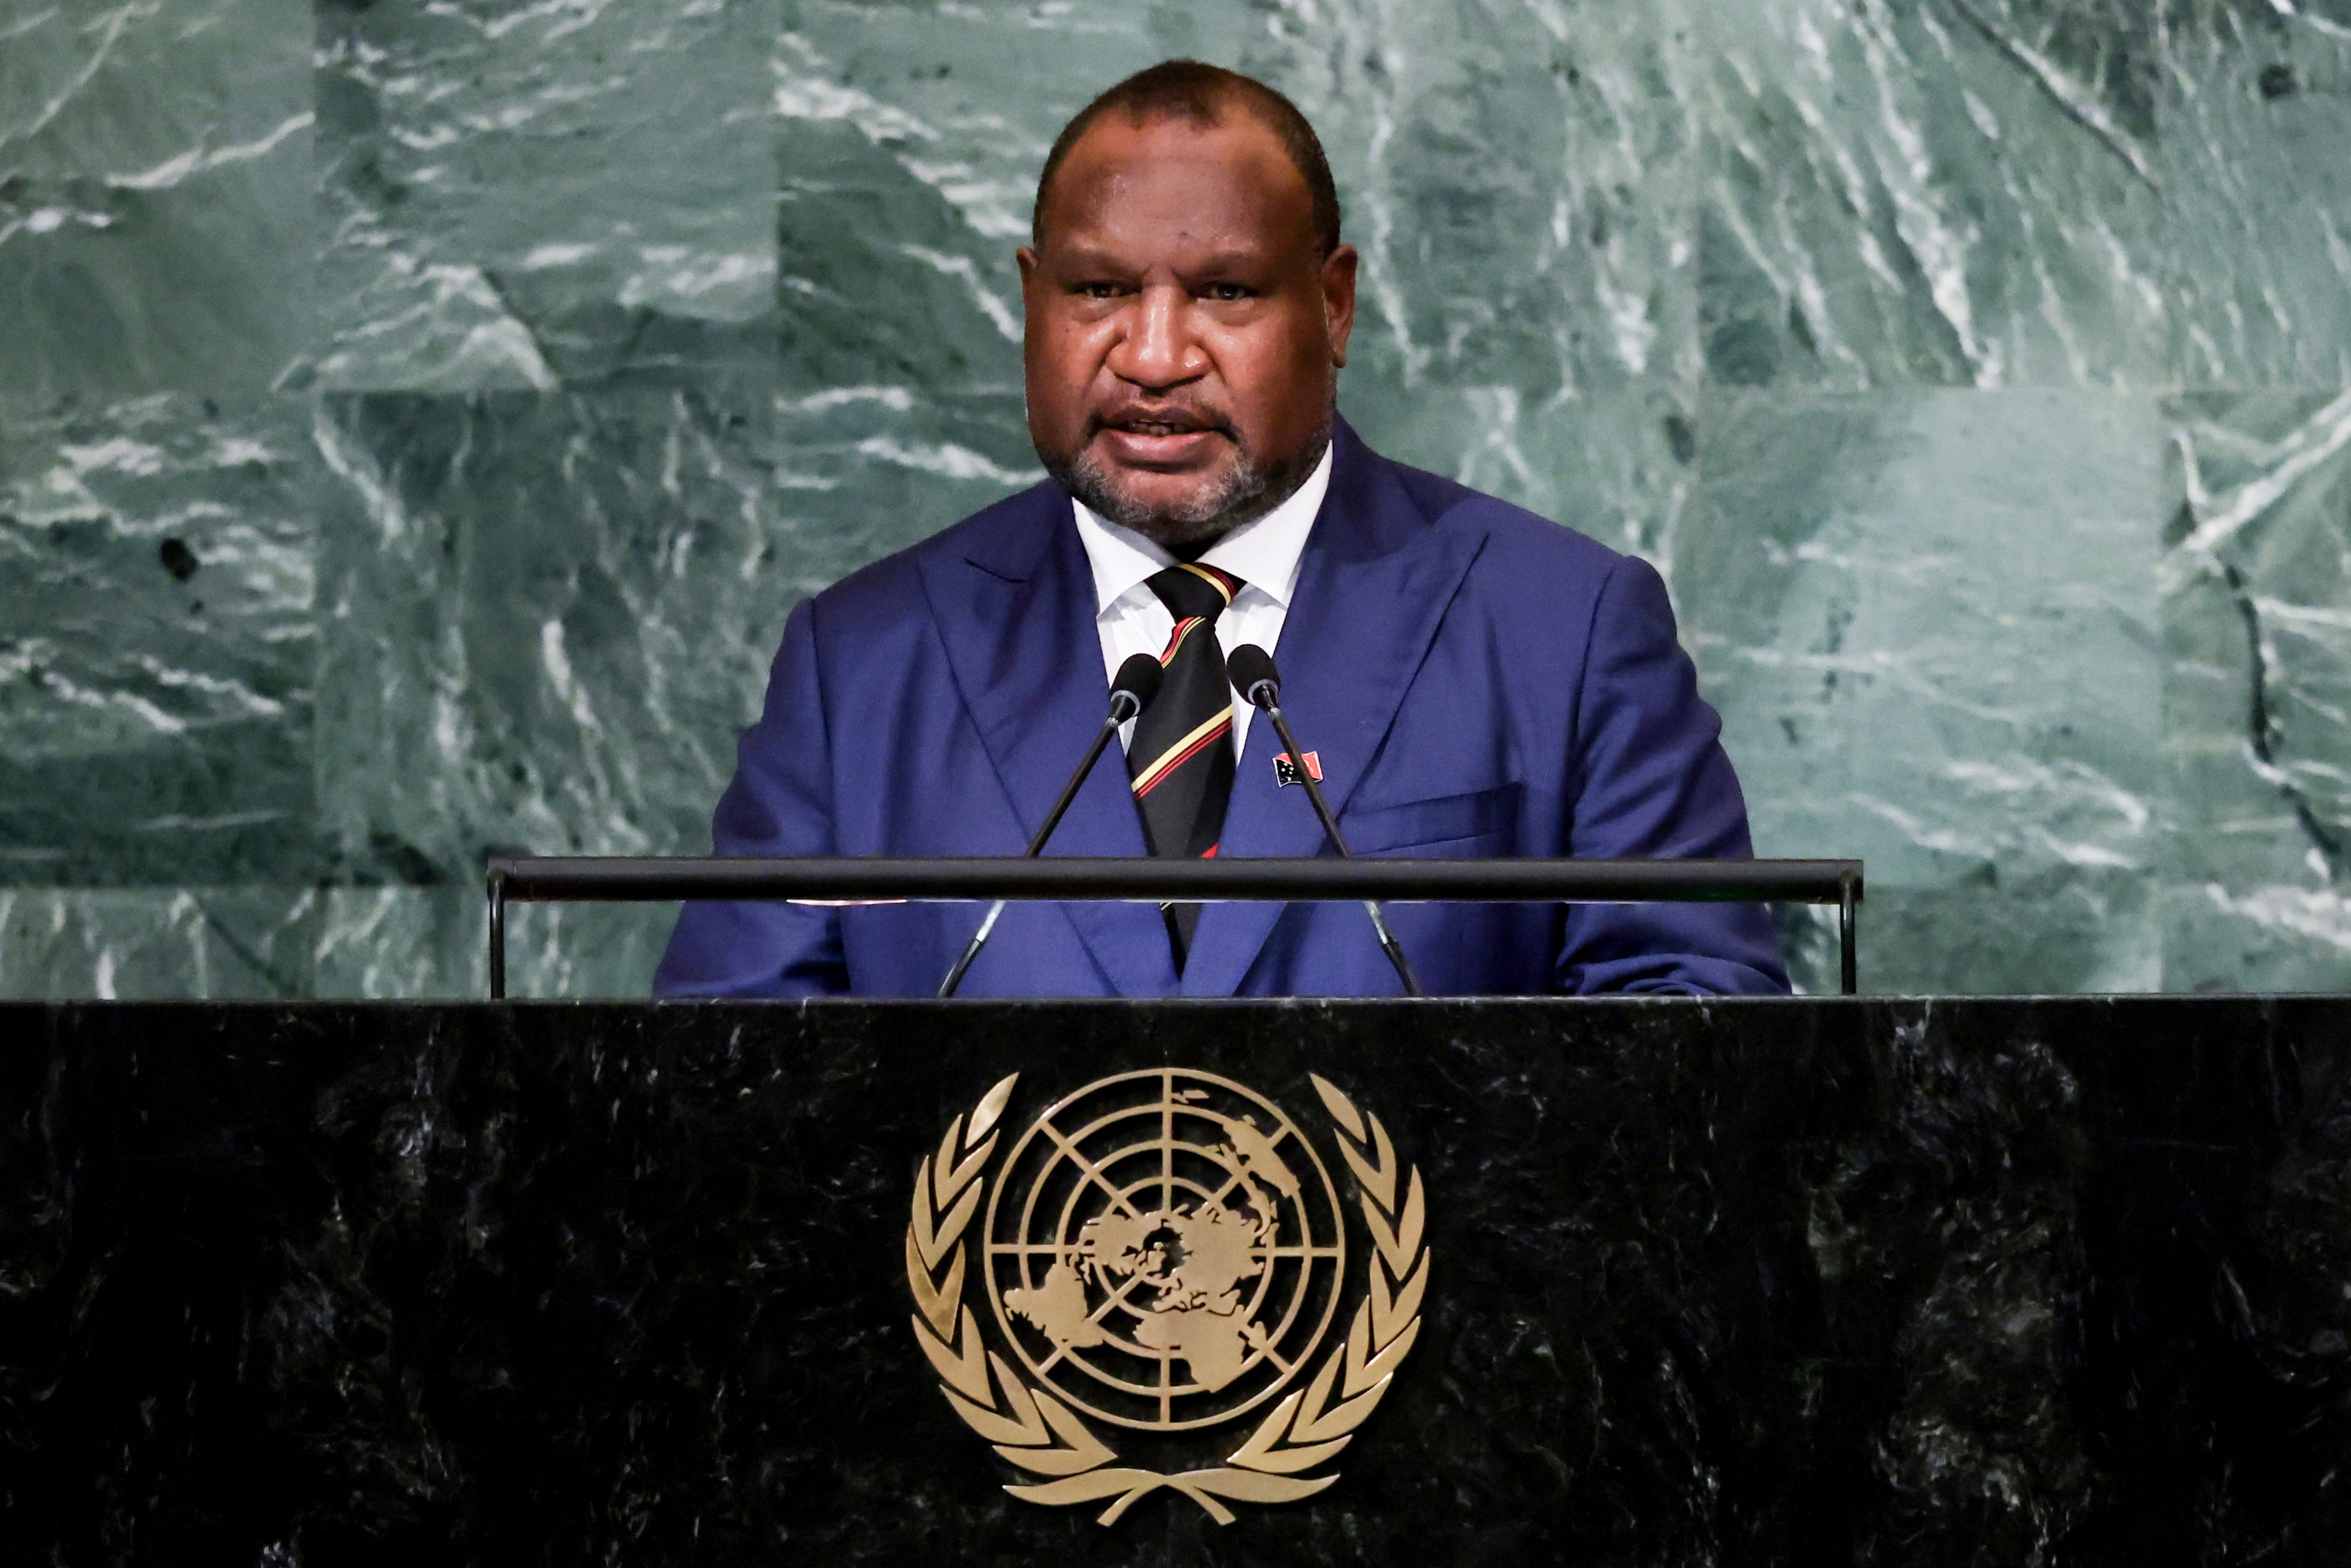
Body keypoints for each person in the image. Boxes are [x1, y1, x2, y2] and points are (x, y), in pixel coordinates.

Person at [654, 61, 1787, 998]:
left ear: (1333, 306)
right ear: (1030, 300)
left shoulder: (1565, 631)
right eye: (1097, 291)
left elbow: (1693, 1058)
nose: (1153, 355)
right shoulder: (860, 667)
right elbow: (732, 1098)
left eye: (1227, 293)